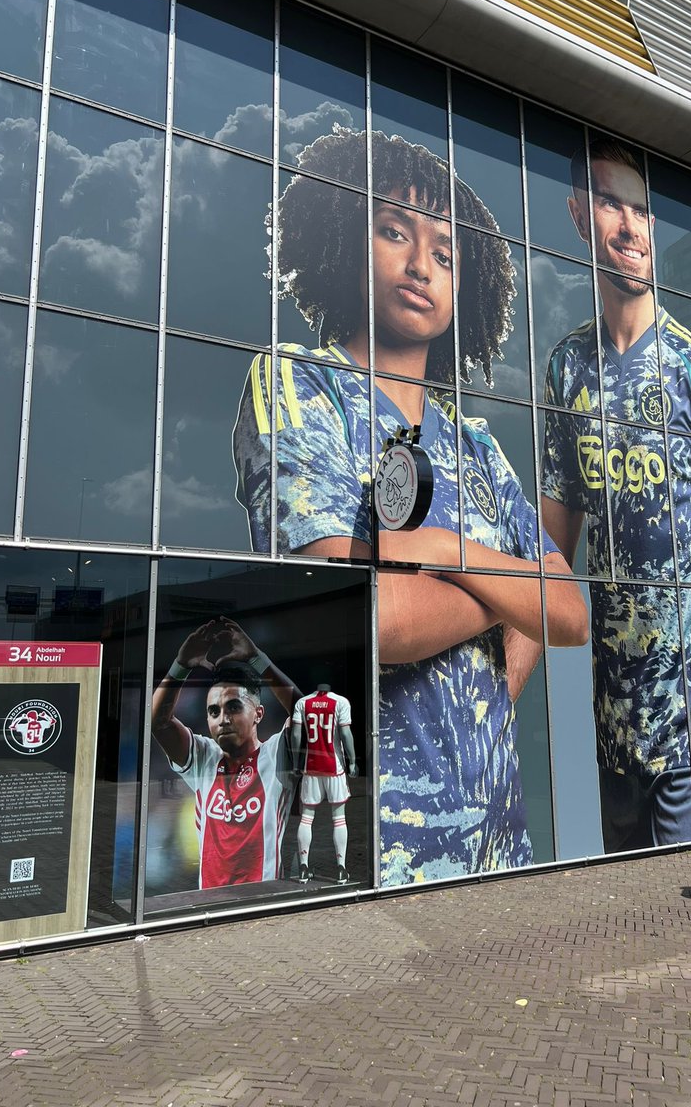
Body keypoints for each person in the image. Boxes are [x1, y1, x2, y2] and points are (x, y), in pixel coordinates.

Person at [234, 127, 588, 886]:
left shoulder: (479, 447)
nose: (422, 264)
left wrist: (451, 554)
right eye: (395, 231)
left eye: (446, 253)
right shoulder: (299, 386)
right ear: (345, 243)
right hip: (379, 855)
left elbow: (570, 615)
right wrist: (509, 592)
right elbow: (367, 617)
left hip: (498, 840)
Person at [540, 134, 691, 853]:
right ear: (577, 216)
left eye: (641, 210)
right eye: (609, 205)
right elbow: (550, 547)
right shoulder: (566, 367)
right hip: (614, 733)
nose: (630, 226)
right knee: (639, 937)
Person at [151, 617, 300, 890]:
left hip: (261, 899)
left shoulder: (276, 755)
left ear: (258, 713)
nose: (223, 719)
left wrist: (257, 659)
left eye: (233, 707)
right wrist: (180, 667)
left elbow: (307, 714)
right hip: (210, 903)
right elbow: (158, 722)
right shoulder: (204, 757)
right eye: (214, 711)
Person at [291, 682, 357, 884]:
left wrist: (296, 762)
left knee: (307, 817)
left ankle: (303, 867)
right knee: (339, 818)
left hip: (311, 767)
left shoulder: (303, 703)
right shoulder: (340, 702)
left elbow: (295, 734)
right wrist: (353, 761)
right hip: (334, 767)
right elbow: (345, 734)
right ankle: (341, 869)